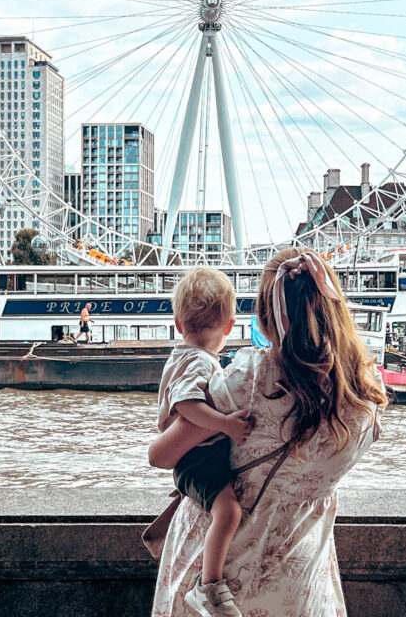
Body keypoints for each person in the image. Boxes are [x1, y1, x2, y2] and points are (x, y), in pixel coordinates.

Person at [149, 249, 387, 617]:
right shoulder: (365, 397)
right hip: (301, 577)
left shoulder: (249, 381)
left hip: (215, 580)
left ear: (264, 317)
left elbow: (162, 455)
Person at [154, 267, 253, 617]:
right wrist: (225, 424)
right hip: (196, 459)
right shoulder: (196, 361)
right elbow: (186, 405)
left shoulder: (186, 356)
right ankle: (208, 586)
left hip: (196, 456)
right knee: (228, 512)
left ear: (179, 324)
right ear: (229, 326)